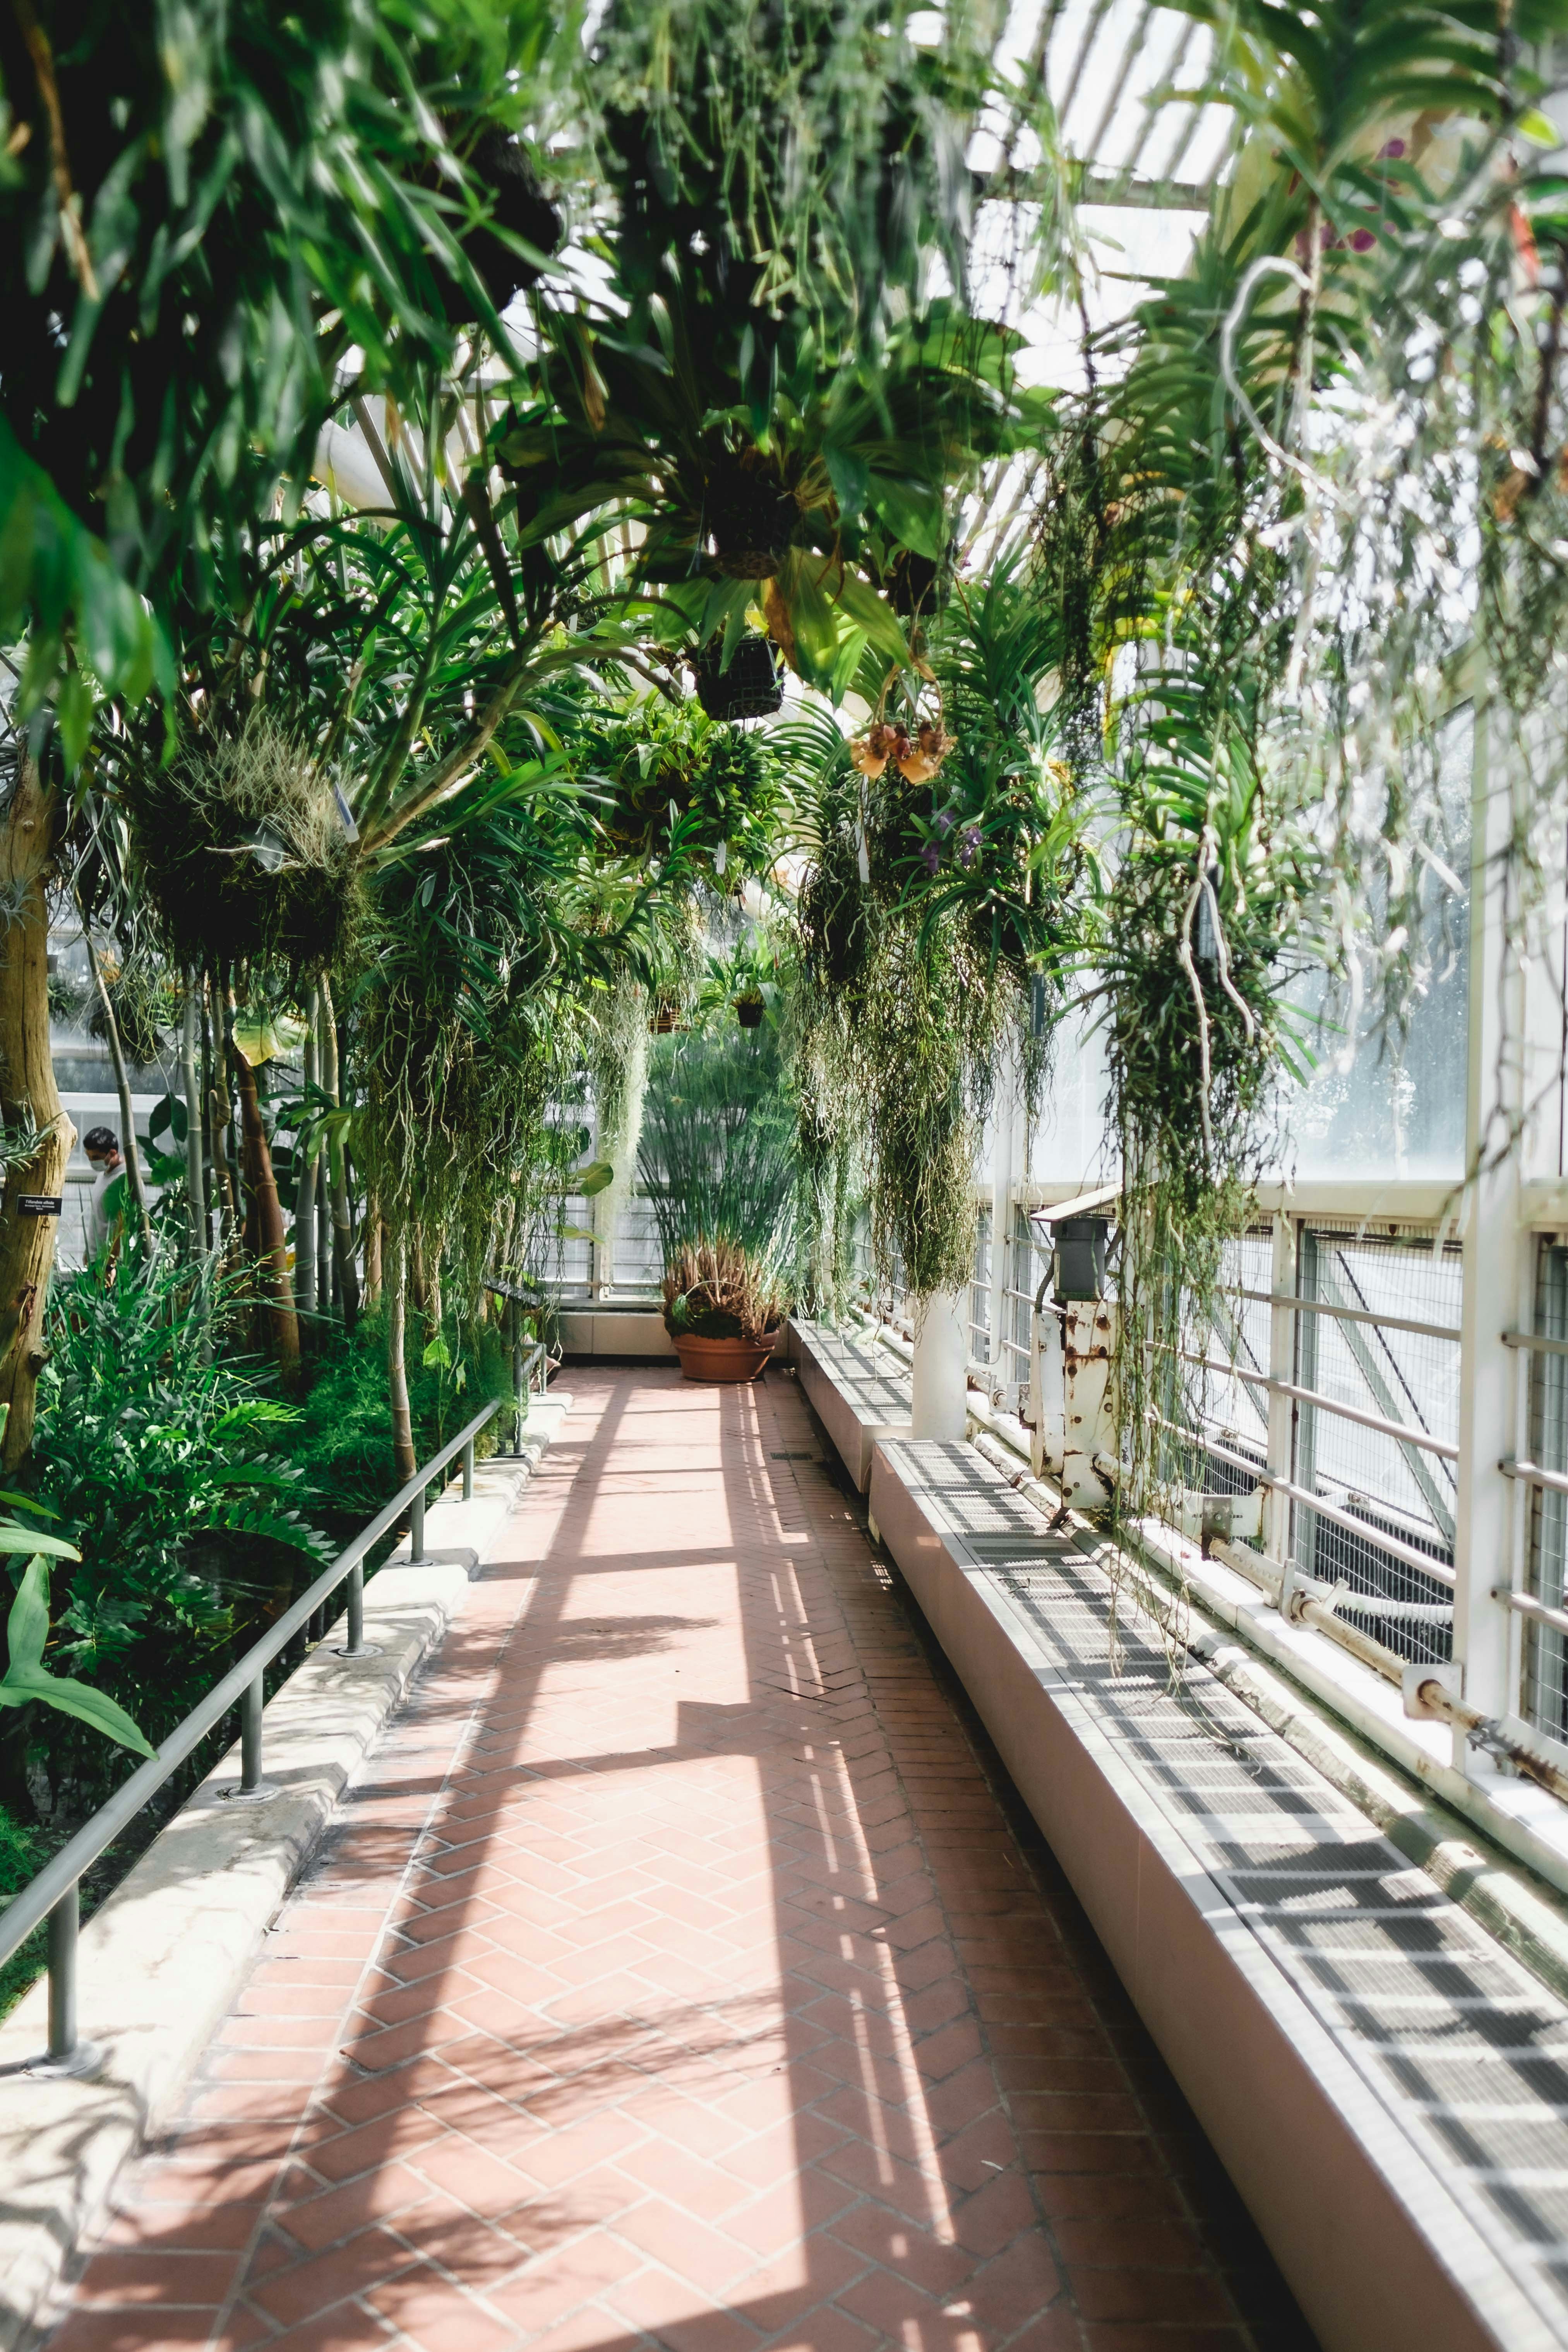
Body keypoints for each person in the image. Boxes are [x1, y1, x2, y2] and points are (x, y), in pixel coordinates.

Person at [83, 1126, 126, 1257]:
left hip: (108, 1260)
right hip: (96, 1257)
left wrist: (111, 1262)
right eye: (88, 1156)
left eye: (96, 1157)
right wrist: (89, 1252)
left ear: (113, 1153)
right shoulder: (103, 1174)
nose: (92, 1162)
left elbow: (123, 1225)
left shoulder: (124, 1179)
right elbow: (98, 1216)